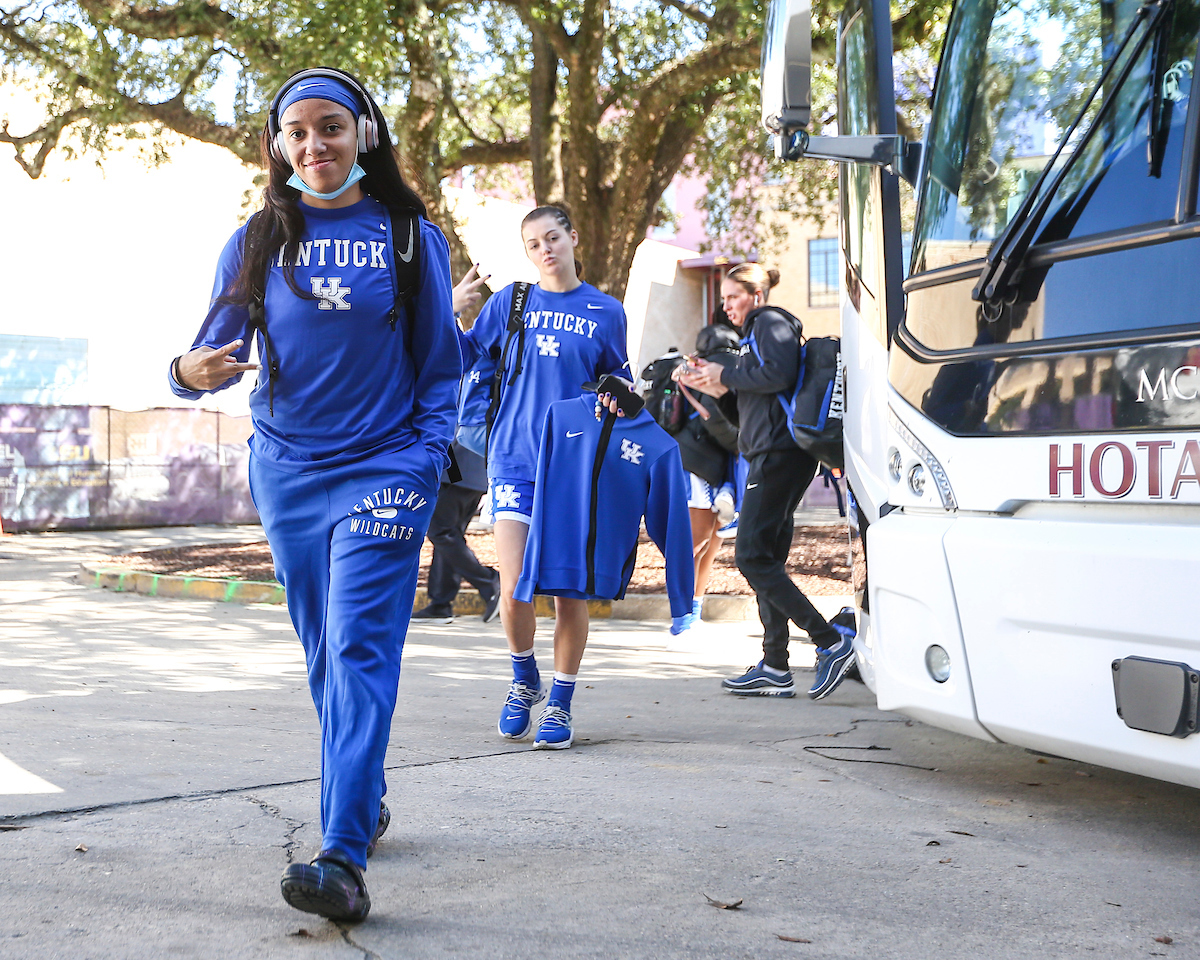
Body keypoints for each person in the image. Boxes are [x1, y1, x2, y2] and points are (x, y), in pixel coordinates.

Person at [168, 68, 462, 922]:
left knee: (359, 646)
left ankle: (339, 855)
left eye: (329, 127)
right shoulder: (257, 239)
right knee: (322, 654)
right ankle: (362, 801)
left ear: (363, 132)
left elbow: (443, 367)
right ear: (277, 145)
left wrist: (421, 459)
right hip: (288, 473)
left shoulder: (409, 235)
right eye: (295, 132)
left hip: (385, 469)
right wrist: (187, 372)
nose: (312, 145)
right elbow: (203, 353)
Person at [457, 204, 631, 750]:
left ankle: (560, 702)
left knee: (568, 594)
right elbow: (459, 358)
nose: (545, 249)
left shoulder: (606, 311)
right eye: (533, 244)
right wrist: (453, 312)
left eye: (552, 237)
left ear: (573, 237)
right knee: (513, 590)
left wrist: (620, 398)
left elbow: (620, 382)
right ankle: (522, 677)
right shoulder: (511, 302)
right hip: (512, 460)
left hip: (575, 470)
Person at [676, 263, 855, 700]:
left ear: (756, 295)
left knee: (752, 558)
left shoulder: (768, 322)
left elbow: (780, 374)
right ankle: (775, 665)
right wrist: (721, 392)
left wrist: (727, 375)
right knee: (767, 559)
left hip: (779, 457)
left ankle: (830, 641)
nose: (727, 307)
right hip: (771, 454)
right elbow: (755, 407)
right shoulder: (751, 340)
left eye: (733, 297)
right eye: (723, 301)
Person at [412, 268, 500, 625]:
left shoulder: (483, 353)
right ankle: (441, 601)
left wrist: (449, 310)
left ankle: (489, 582)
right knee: (449, 533)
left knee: (440, 531)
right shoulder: (486, 351)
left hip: (461, 458)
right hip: (469, 462)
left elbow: (437, 347)